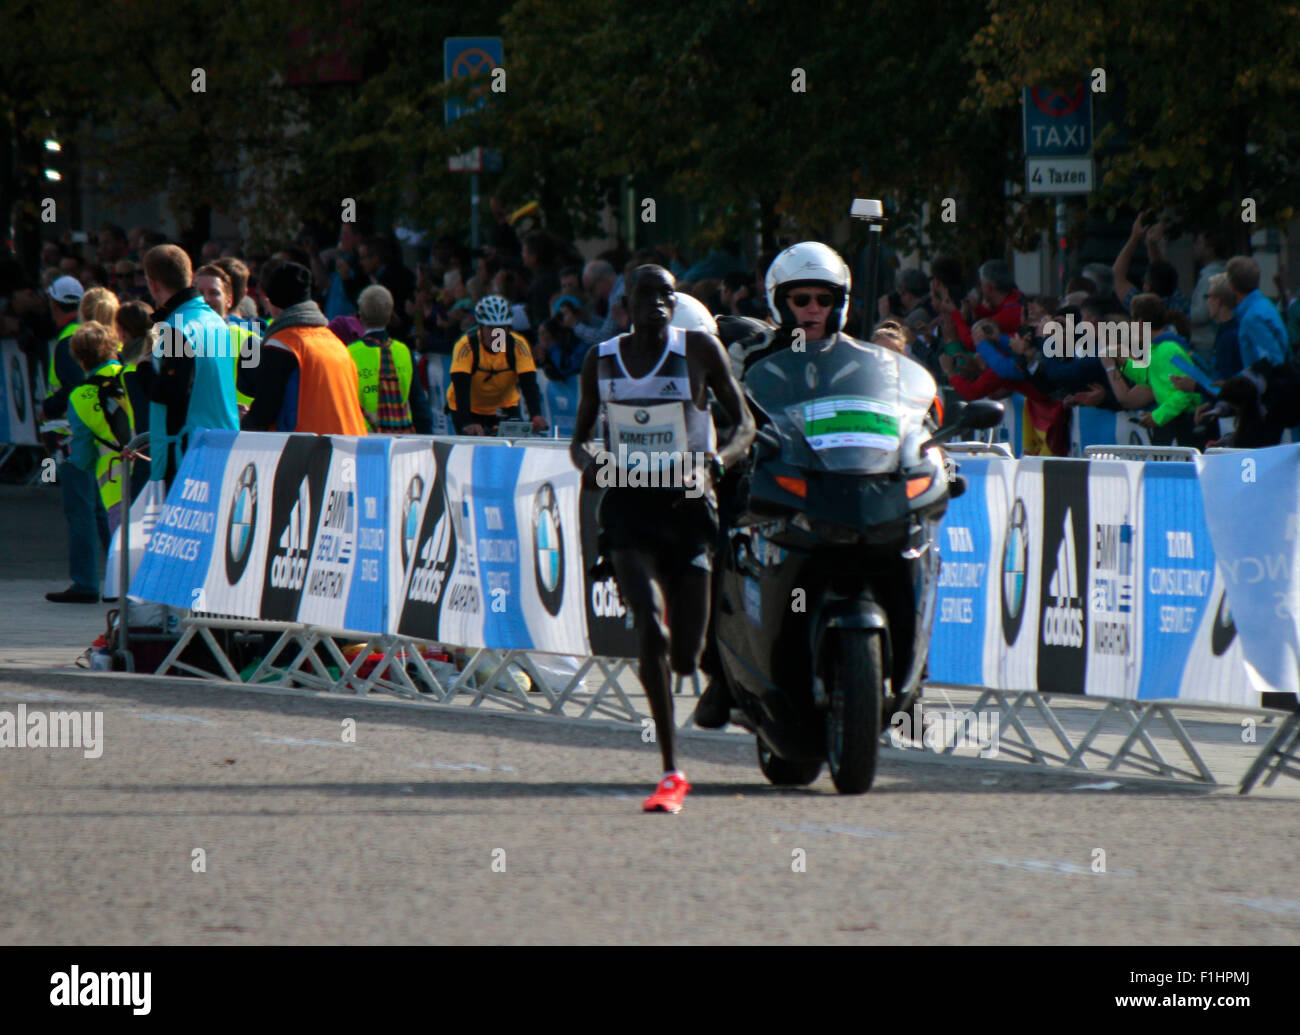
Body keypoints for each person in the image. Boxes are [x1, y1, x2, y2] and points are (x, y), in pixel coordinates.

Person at [569, 265, 755, 813]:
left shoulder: (699, 350)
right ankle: (671, 770)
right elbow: (580, 439)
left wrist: (718, 461)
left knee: (686, 650)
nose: (656, 302)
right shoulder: (599, 359)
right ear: (626, 302)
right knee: (648, 623)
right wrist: (592, 463)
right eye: (644, 294)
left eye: (665, 295)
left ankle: (699, 682)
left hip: (689, 507)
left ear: (674, 304)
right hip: (630, 507)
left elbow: (744, 424)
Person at [133, 244, 239, 487]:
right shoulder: (216, 321)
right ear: (189, 276)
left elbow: (170, 393)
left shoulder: (177, 329)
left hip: (188, 460)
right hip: (222, 450)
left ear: (153, 283)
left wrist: (144, 369)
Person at [40, 275, 110, 604]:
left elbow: (73, 388)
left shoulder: (72, 339)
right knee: (101, 511)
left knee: (81, 510)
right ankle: (116, 580)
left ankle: (86, 582)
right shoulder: (106, 337)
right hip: (102, 437)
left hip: (76, 436)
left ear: (55, 304)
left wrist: (47, 407)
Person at [241, 260, 367, 436]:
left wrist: (239, 425)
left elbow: (264, 412)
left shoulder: (283, 344)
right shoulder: (334, 342)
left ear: (270, 298)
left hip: (308, 453)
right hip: (349, 449)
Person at [445, 295, 548, 436]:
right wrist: (467, 422)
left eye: (501, 328)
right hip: (468, 407)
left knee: (513, 446)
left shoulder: (518, 345)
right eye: (491, 328)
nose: (496, 335)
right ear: (481, 327)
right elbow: (460, 388)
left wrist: (536, 414)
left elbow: (528, 384)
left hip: (504, 404)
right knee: (474, 445)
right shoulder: (465, 346)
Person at [66, 321, 133, 536]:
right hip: (151, 476)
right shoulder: (131, 374)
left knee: (124, 561)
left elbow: (83, 458)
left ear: (80, 360)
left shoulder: (78, 397)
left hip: (116, 489)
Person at [347, 284, 434, 433]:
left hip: (361, 439)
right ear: (389, 315)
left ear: (360, 315)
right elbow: (418, 405)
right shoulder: (403, 351)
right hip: (400, 441)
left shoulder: (350, 353)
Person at [195, 263, 259, 413]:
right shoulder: (177, 342)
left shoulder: (248, 340)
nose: (206, 299)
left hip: (241, 433)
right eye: (199, 294)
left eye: (214, 293)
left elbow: (265, 395)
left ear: (229, 300)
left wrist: (250, 412)